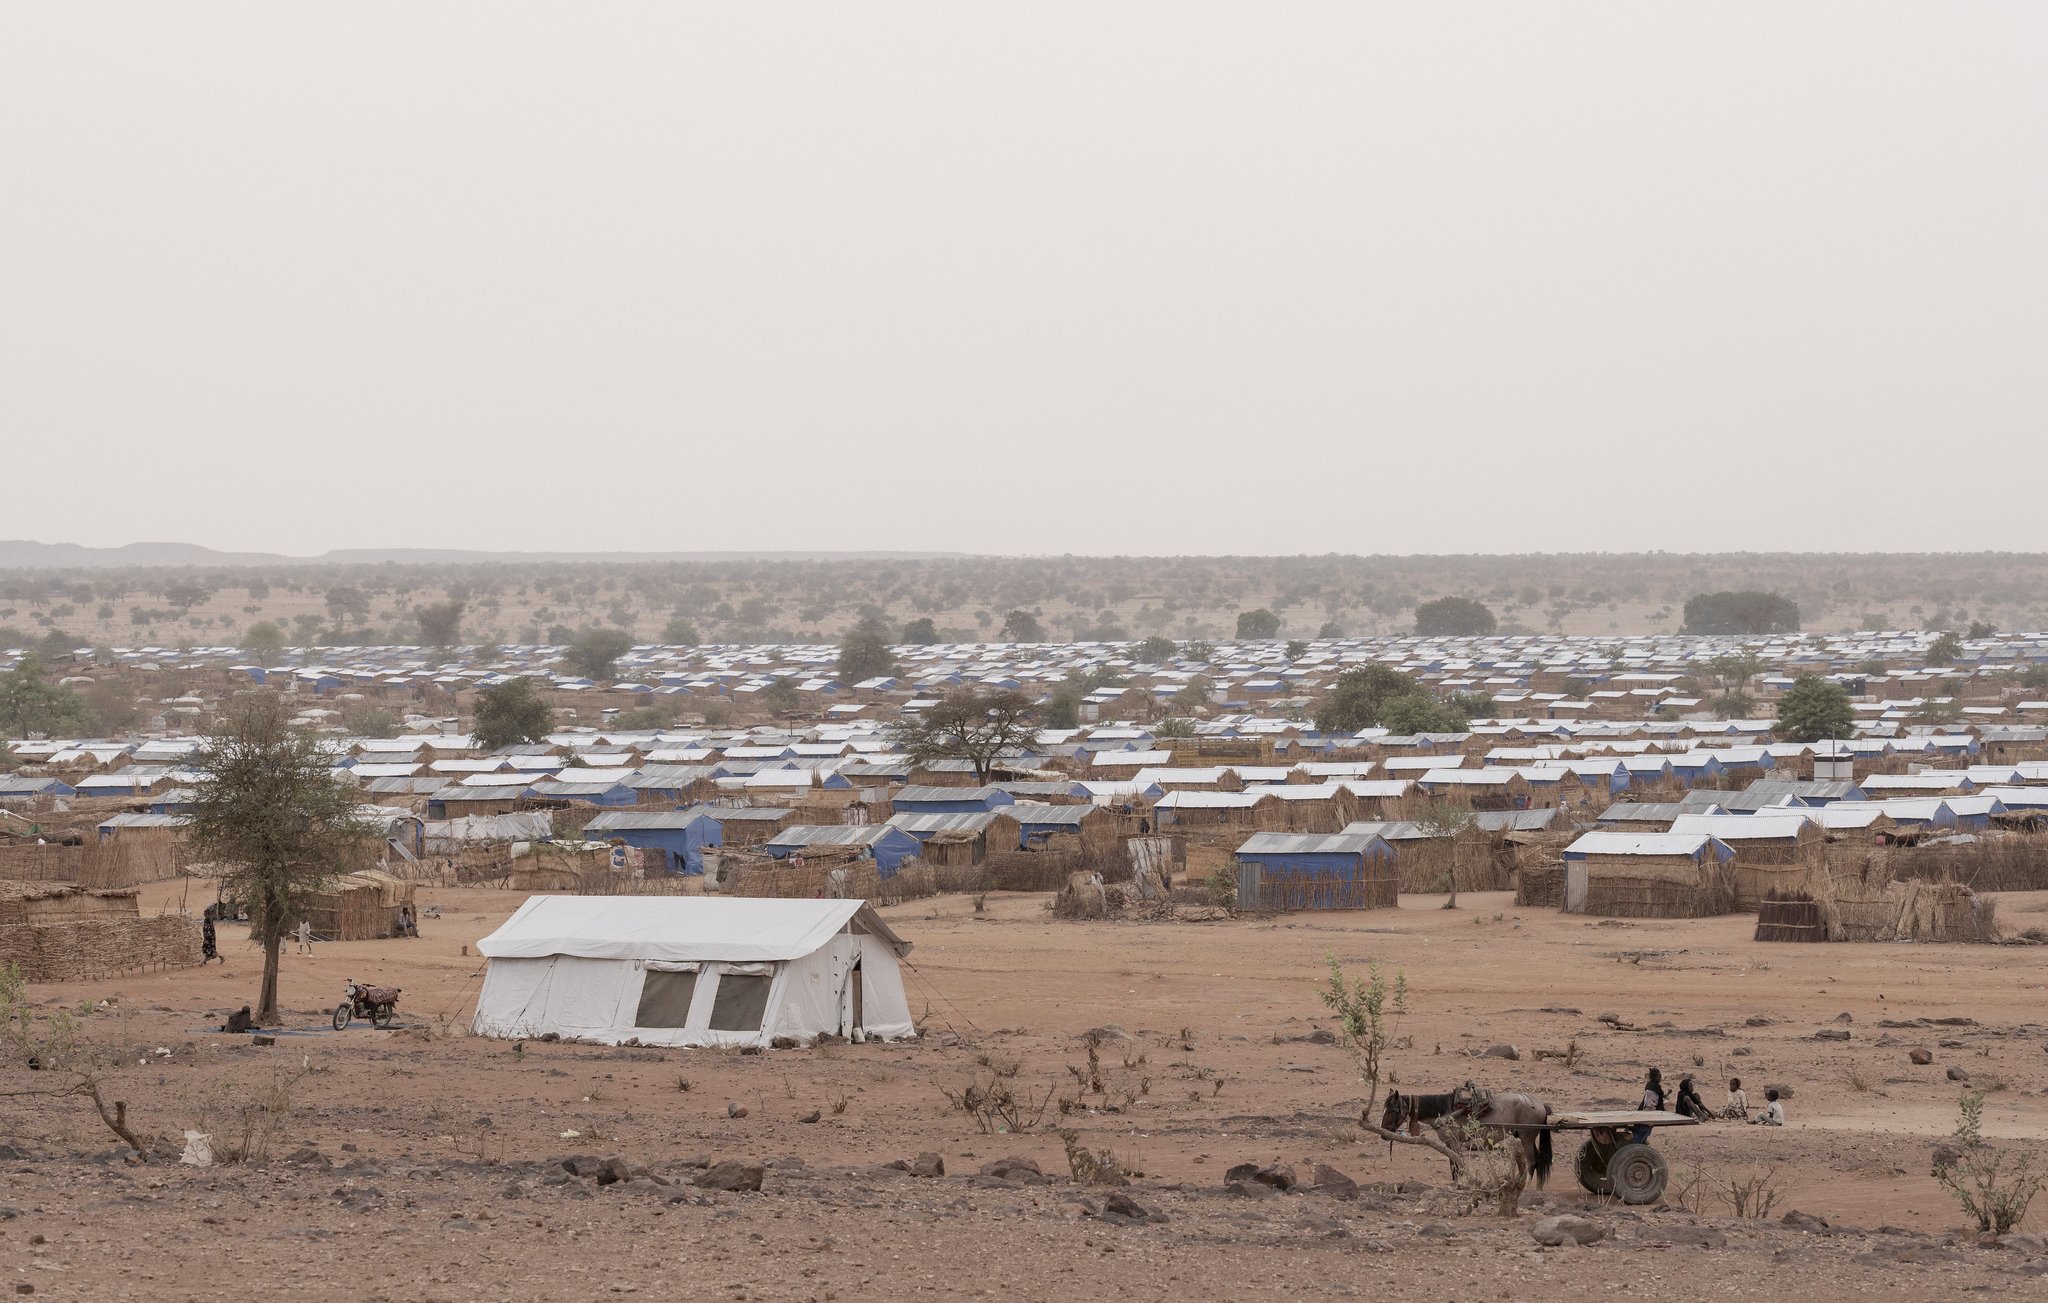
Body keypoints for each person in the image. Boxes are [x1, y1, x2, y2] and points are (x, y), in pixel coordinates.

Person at [1635, 1067, 1666, 1141]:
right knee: (1647, 1126)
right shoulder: (1656, 1086)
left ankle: (1641, 1140)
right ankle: (1640, 1141)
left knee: (1644, 1126)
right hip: (1651, 1109)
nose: (1660, 1078)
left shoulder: (1649, 1085)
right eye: (1659, 1077)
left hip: (1645, 1108)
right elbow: (1661, 1096)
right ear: (1655, 1077)